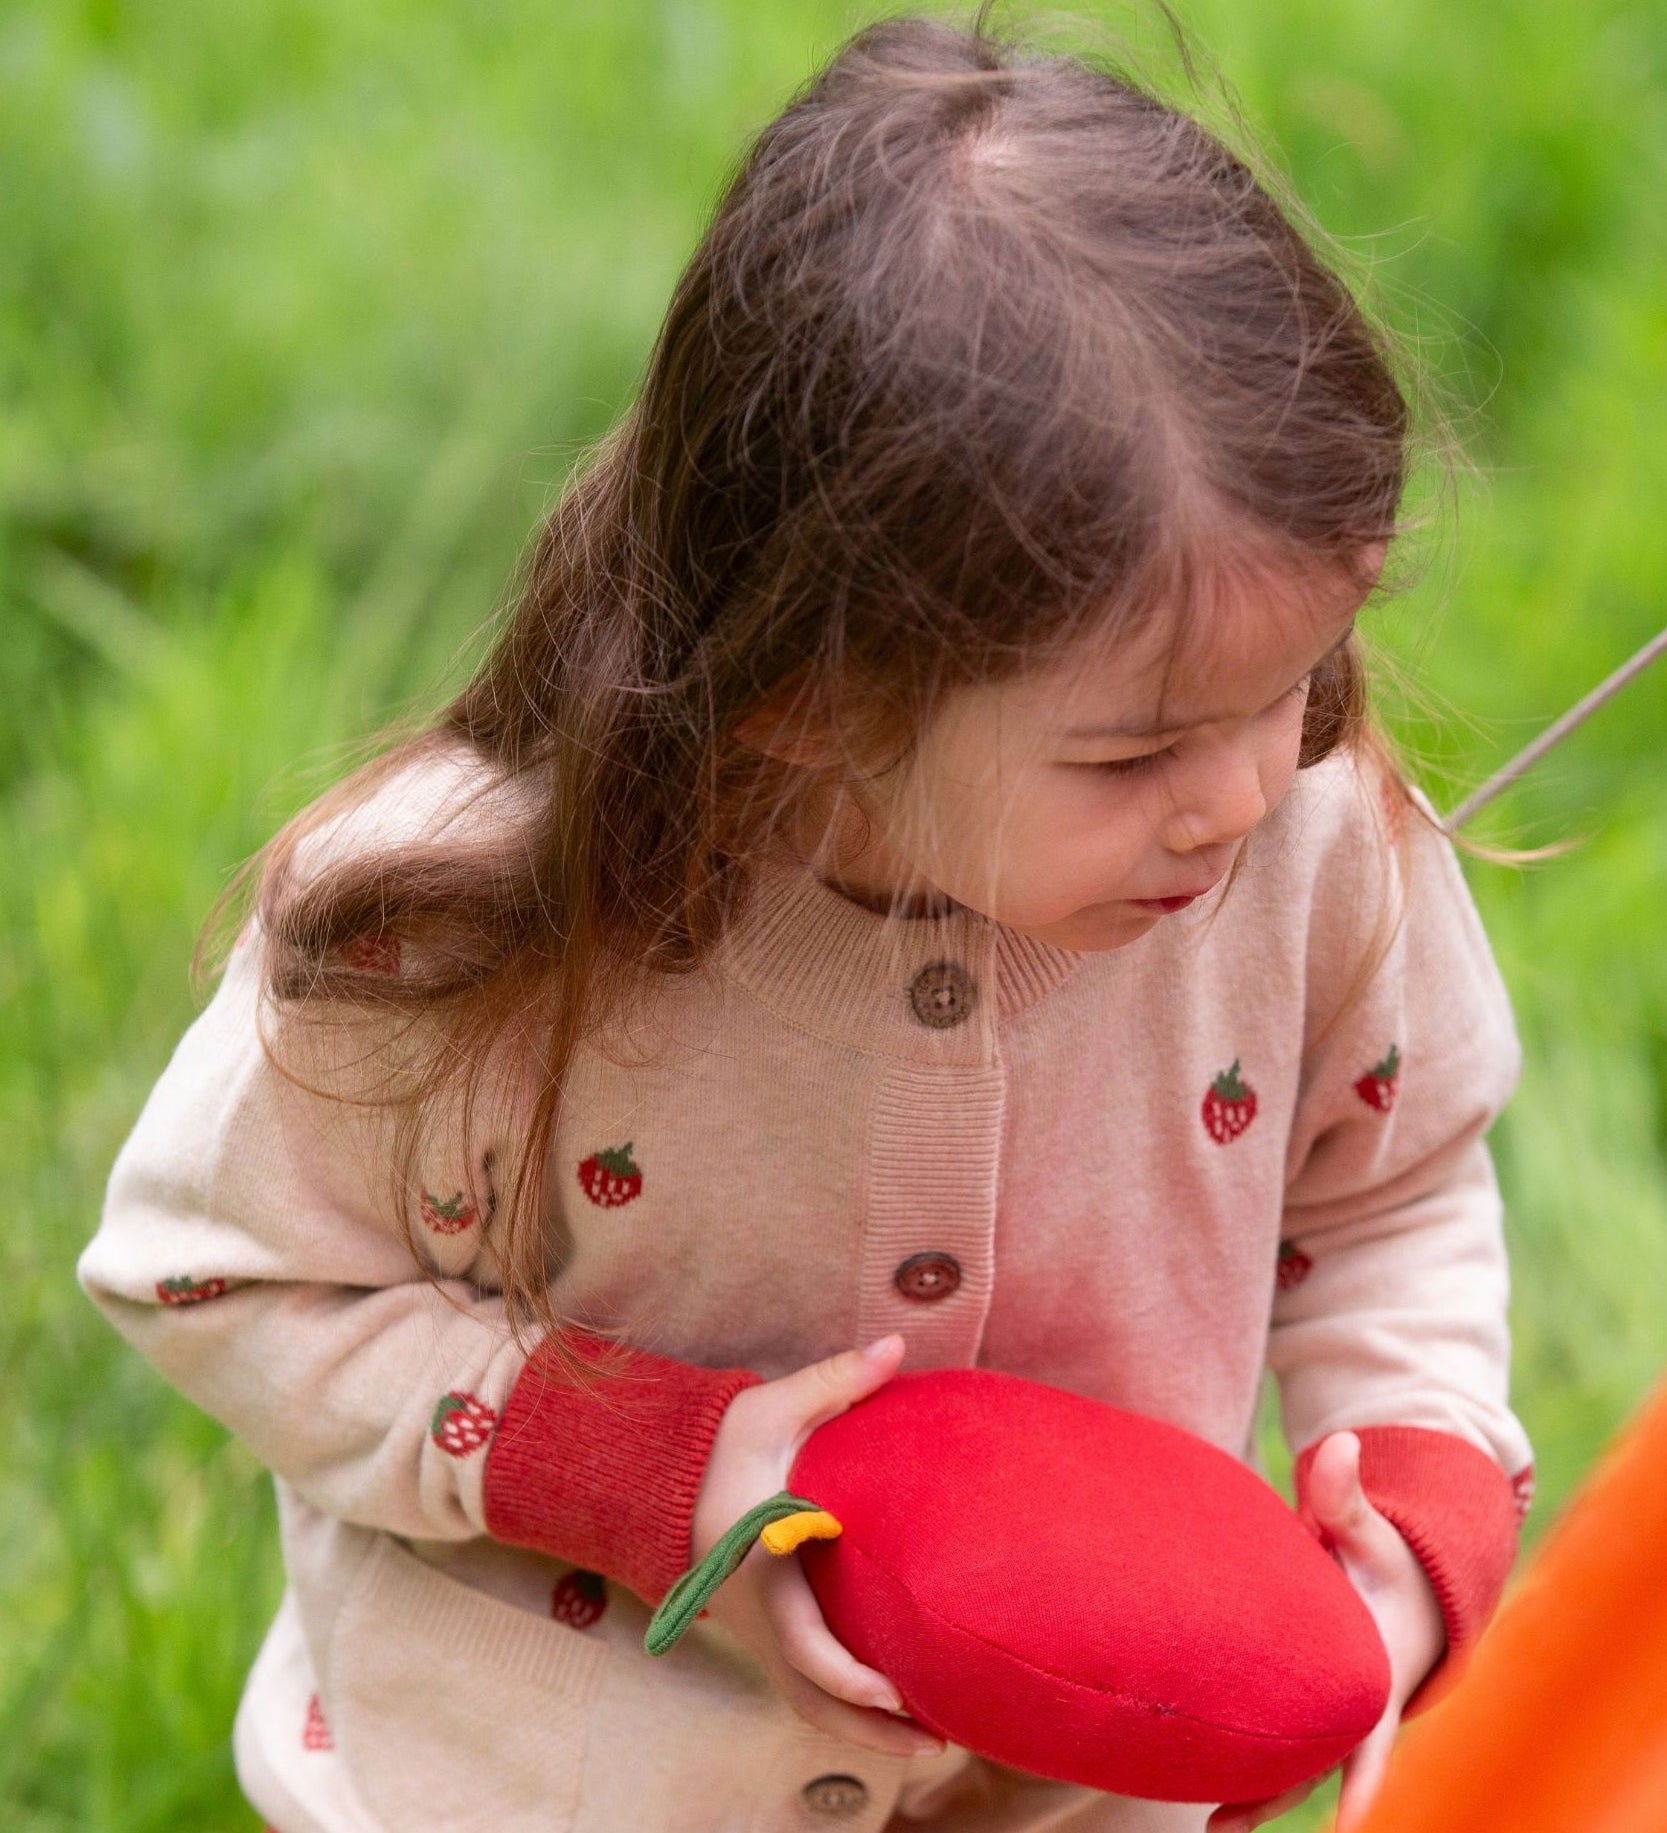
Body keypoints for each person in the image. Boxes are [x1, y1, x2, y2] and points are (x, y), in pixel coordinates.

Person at [78, 12, 1536, 1832]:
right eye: (1140, 745)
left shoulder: (1308, 841)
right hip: (560, 1782)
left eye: (1301, 674)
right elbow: (213, 1272)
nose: (1247, 790)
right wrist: (638, 1468)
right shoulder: (473, 936)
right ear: (806, 697)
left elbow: (1385, 1189)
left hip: (1058, 1794)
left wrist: (1412, 1502)